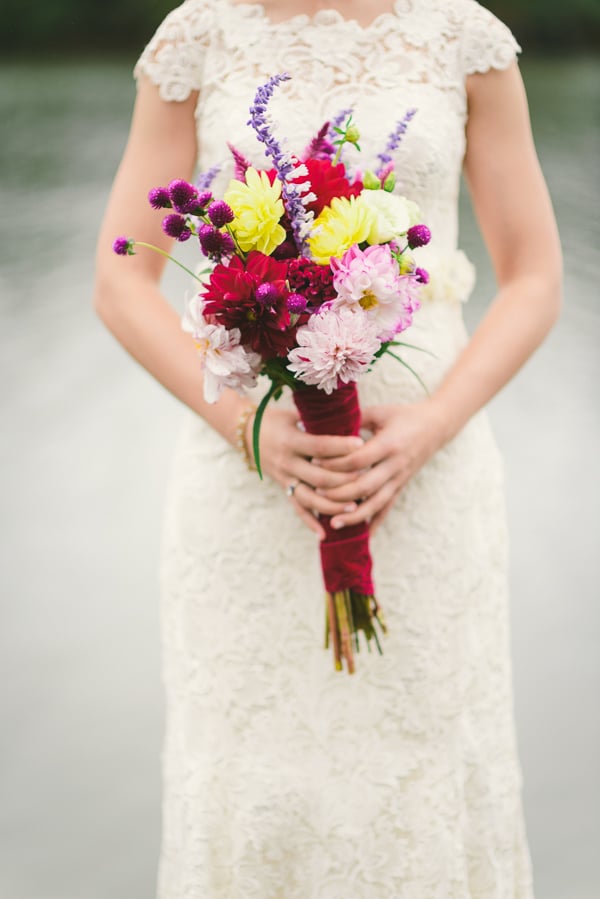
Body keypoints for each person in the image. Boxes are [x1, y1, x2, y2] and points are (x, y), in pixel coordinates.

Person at [94, 1, 562, 896]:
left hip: (428, 468)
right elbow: (122, 278)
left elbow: (535, 274)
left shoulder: (465, 36)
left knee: (421, 766)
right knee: (253, 777)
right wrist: (248, 426)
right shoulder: (200, 32)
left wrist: (432, 424)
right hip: (248, 477)